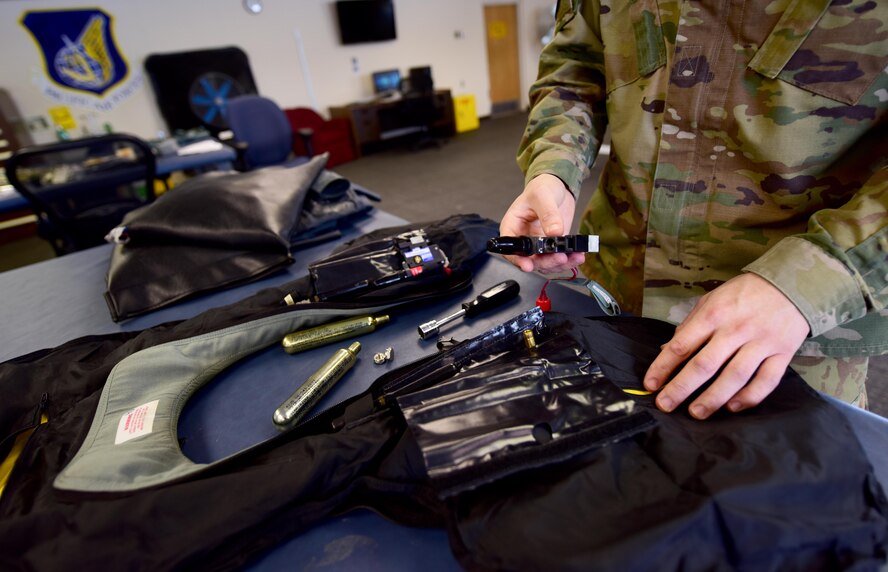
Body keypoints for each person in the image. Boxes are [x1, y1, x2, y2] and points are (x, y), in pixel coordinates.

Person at [500, 0, 887, 419]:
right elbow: (576, 66)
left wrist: (809, 282)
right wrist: (555, 169)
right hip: (615, 294)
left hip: (791, 336)